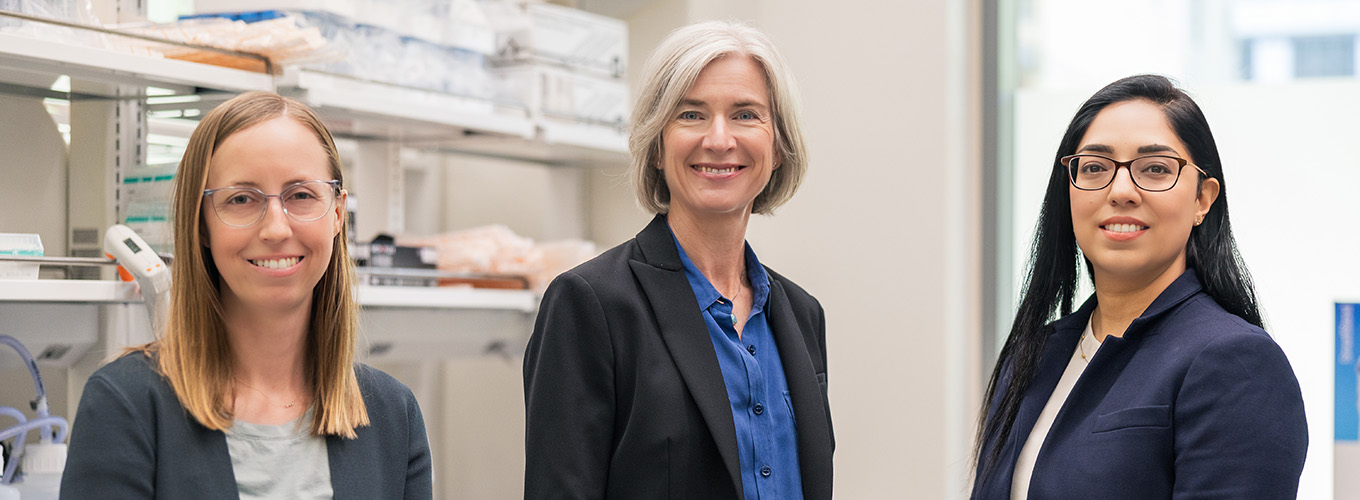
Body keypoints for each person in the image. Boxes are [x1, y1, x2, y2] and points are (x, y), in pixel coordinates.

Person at [61, 91, 432, 498]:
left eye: (301, 195)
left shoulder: (394, 415)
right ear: (201, 223)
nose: (275, 228)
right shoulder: (126, 404)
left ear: (338, 214)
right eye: (241, 199)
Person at [523, 20, 833, 500]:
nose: (719, 139)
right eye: (691, 115)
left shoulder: (801, 314)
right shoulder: (591, 305)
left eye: (746, 114)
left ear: (778, 146)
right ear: (656, 145)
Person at [970, 75, 1307, 499]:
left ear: (1203, 199)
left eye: (1155, 169)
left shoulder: (1236, 362)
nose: (1121, 191)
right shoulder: (1034, 353)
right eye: (1094, 168)